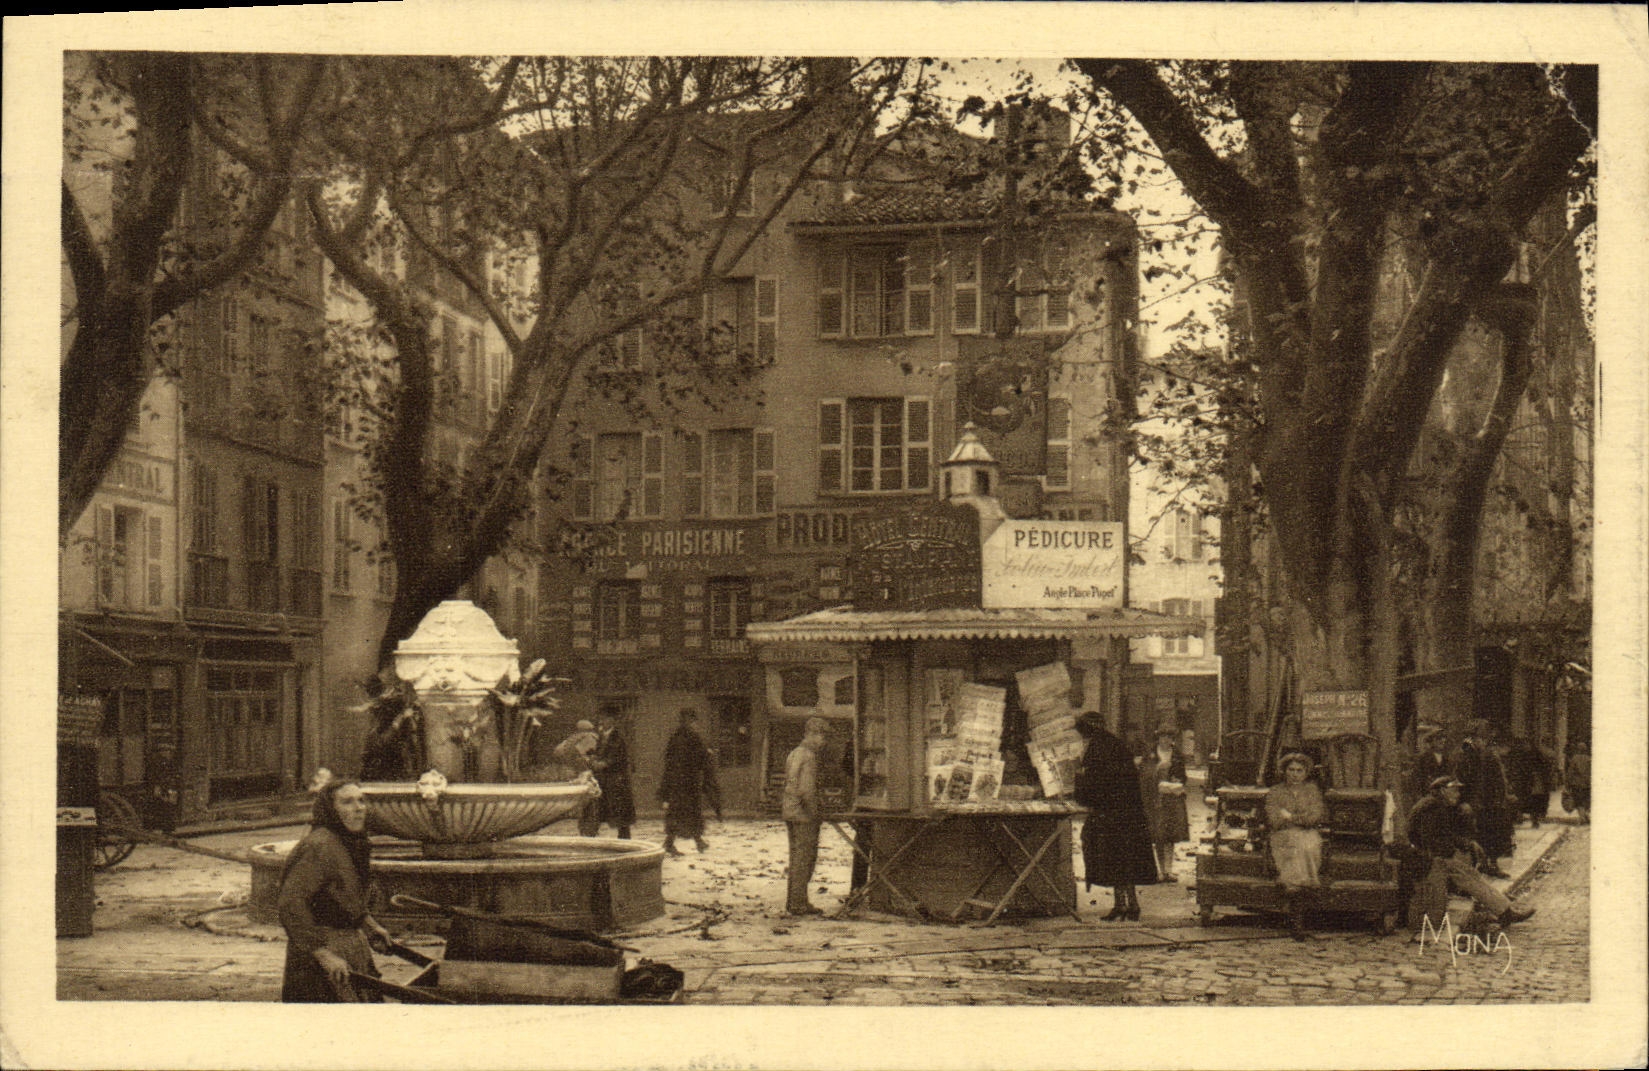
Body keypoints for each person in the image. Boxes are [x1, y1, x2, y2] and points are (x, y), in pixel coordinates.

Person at [277, 779, 393, 1002]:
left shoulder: (351, 842)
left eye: (361, 801)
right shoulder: (320, 846)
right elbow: (290, 904)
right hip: (320, 952)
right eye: (347, 802)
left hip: (350, 946)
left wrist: (368, 924)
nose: (358, 808)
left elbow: (341, 893)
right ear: (331, 809)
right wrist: (324, 955)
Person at [1407, 775, 1535, 933]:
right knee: (1468, 876)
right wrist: (1451, 854)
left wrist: (1468, 844)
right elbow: (1430, 840)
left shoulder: (1435, 804)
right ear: (1442, 791)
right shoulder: (1432, 807)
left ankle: (1503, 910)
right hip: (1424, 858)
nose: (1457, 794)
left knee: (1471, 875)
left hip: (1428, 855)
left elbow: (1443, 835)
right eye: (1453, 790)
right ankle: (1505, 912)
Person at [1072, 712, 1158, 921]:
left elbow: (1095, 782)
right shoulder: (1113, 744)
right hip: (1126, 814)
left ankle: (1125, 905)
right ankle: (1127, 905)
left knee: (1115, 860)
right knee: (1123, 861)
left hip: (1111, 815)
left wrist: (1078, 783)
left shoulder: (1098, 748)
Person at [1265, 752, 1327, 939]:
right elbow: (1274, 819)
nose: (1295, 774)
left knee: (1307, 846)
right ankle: (1298, 912)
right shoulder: (1275, 792)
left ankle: (1295, 901)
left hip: (1308, 834)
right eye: (1291, 770)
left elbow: (1315, 817)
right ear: (1284, 771)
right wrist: (1299, 819)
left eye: (1299, 770)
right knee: (1294, 846)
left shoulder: (1312, 791)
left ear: (1306, 773)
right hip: (1282, 836)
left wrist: (1290, 817)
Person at [782, 717, 830, 916]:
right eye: (822, 736)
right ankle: (798, 904)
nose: (823, 742)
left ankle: (795, 901)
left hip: (790, 811)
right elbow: (806, 790)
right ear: (812, 734)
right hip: (803, 815)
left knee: (796, 858)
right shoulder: (809, 757)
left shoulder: (794, 753)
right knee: (805, 859)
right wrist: (815, 813)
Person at [659, 708, 721, 856]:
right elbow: (700, 758)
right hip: (688, 782)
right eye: (693, 721)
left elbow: (669, 760)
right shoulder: (693, 738)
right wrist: (709, 754)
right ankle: (695, 842)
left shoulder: (675, 737)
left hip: (677, 782)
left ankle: (679, 842)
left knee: (679, 814)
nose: (694, 724)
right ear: (689, 721)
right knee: (689, 813)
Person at [1456, 720, 1513, 878]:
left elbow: (1497, 778)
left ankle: (1490, 864)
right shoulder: (1470, 753)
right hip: (1480, 801)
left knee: (1492, 833)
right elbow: (1469, 779)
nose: (1484, 740)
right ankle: (1483, 866)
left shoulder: (1485, 753)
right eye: (1481, 737)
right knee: (1481, 834)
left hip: (1490, 801)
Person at [1148, 727, 1190, 878]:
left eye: (1168, 737)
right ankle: (1160, 870)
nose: (1165, 740)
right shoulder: (1151, 755)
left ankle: (1169, 870)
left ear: (1173, 739)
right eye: (1162, 737)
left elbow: (1183, 776)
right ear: (1158, 739)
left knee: (1171, 834)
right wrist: (1156, 770)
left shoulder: (1177, 755)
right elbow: (1144, 774)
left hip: (1173, 797)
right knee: (1159, 835)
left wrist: (1178, 780)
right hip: (1156, 798)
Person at [552, 721, 602, 836]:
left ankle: (584, 828)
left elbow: (557, 752)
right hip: (589, 773)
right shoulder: (589, 737)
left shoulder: (571, 739)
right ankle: (590, 829)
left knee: (585, 802)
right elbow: (591, 755)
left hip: (576, 774)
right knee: (593, 801)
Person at [592, 714, 635, 839]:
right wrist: (594, 758)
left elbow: (618, 756)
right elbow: (599, 752)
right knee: (601, 808)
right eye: (601, 719)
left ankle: (625, 839)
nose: (602, 721)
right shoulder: (602, 736)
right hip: (604, 778)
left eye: (605, 718)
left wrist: (603, 763)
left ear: (612, 720)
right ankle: (591, 836)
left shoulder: (618, 737)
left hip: (617, 778)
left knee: (620, 811)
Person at [1412, 729, 1452, 800]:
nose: (1442, 740)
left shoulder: (1447, 759)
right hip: (1427, 796)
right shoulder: (1423, 758)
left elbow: (1450, 778)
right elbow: (1417, 780)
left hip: (1445, 798)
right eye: (1438, 738)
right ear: (1431, 742)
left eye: (1443, 738)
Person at [1564, 741, 1591, 824]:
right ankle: (1585, 815)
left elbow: (1570, 772)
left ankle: (1582, 817)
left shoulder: (1574, 759)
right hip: (1587, 783)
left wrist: (1567, 782)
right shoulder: (1589, 759)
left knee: (1578, 800)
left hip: (1576, 783)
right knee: (1586, 800)